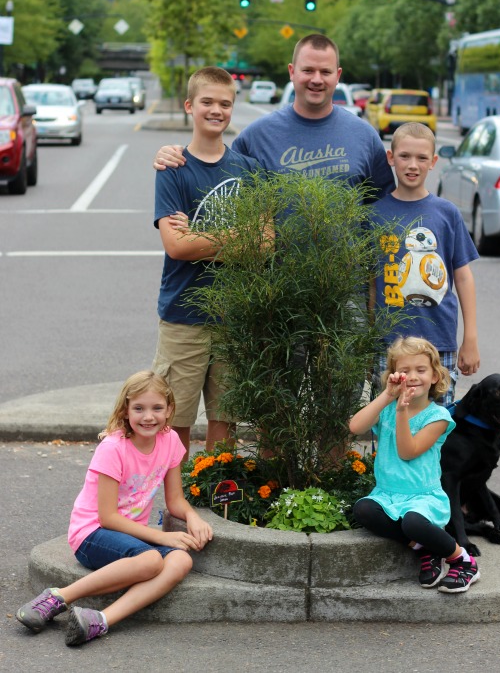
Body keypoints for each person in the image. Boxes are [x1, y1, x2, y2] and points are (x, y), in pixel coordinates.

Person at [15, 371, 213, 646]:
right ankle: (58, 597)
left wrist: (193, 516)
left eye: (157, 408)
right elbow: (107, 517)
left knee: (182, 560)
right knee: (153, 560)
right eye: (139, 408)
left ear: (169, 410)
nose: (148, 417)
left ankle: (99, 621)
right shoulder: (113, 448)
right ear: (125, 409)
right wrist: (163, 537)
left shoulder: (170, 442)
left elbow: (175, 500)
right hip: (92, 533)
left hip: (131, 537)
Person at [152, 66, 262, 458]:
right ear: (189, 106)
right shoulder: (172, 168)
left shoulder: (248, 171)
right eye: (207, 102)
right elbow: (176, 247)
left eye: (225, 103)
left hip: (233, 316)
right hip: (183, 314)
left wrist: (197, 237)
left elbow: (263, 244)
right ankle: (175, 497)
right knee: (174, 418)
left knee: (225, 417)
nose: (216, 110)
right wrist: (237, 238)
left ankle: (216, 489)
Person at [152, 34, 396, 201]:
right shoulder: (254, 138)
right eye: (308, 70)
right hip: (272, 277)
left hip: (347, 277)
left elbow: (386, 212)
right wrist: (175, 156)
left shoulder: (365, 137)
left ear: (338, 75)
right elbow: (217, 181)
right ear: (292, 72)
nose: (317, 79)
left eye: (326, 72)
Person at [349, 336, 480, 593]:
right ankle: (425, 549)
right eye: (404, 370)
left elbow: (407, 452)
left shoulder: (438, 417)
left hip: (423, 498)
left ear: (434, 376)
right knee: (363, 510)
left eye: (421, 370)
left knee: (413, 524)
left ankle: (462, 560)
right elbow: (355, 427)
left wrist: (401, 412)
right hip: (388, 495)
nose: (413, 376)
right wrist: (387, 396)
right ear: (393, 375)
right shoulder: (387, 407)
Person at [369, 122, 480, 406]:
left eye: (421, 158)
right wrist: (367, 338)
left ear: (433, 162)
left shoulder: (447, 213)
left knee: (436, 428)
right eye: (404, 156)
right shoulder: (373, 214)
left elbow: (464, 277)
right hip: (389, 343)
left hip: (438, 341)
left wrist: (470, 339)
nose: (412, 165)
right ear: (390, 158)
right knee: (389, 428)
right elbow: (369, 281)